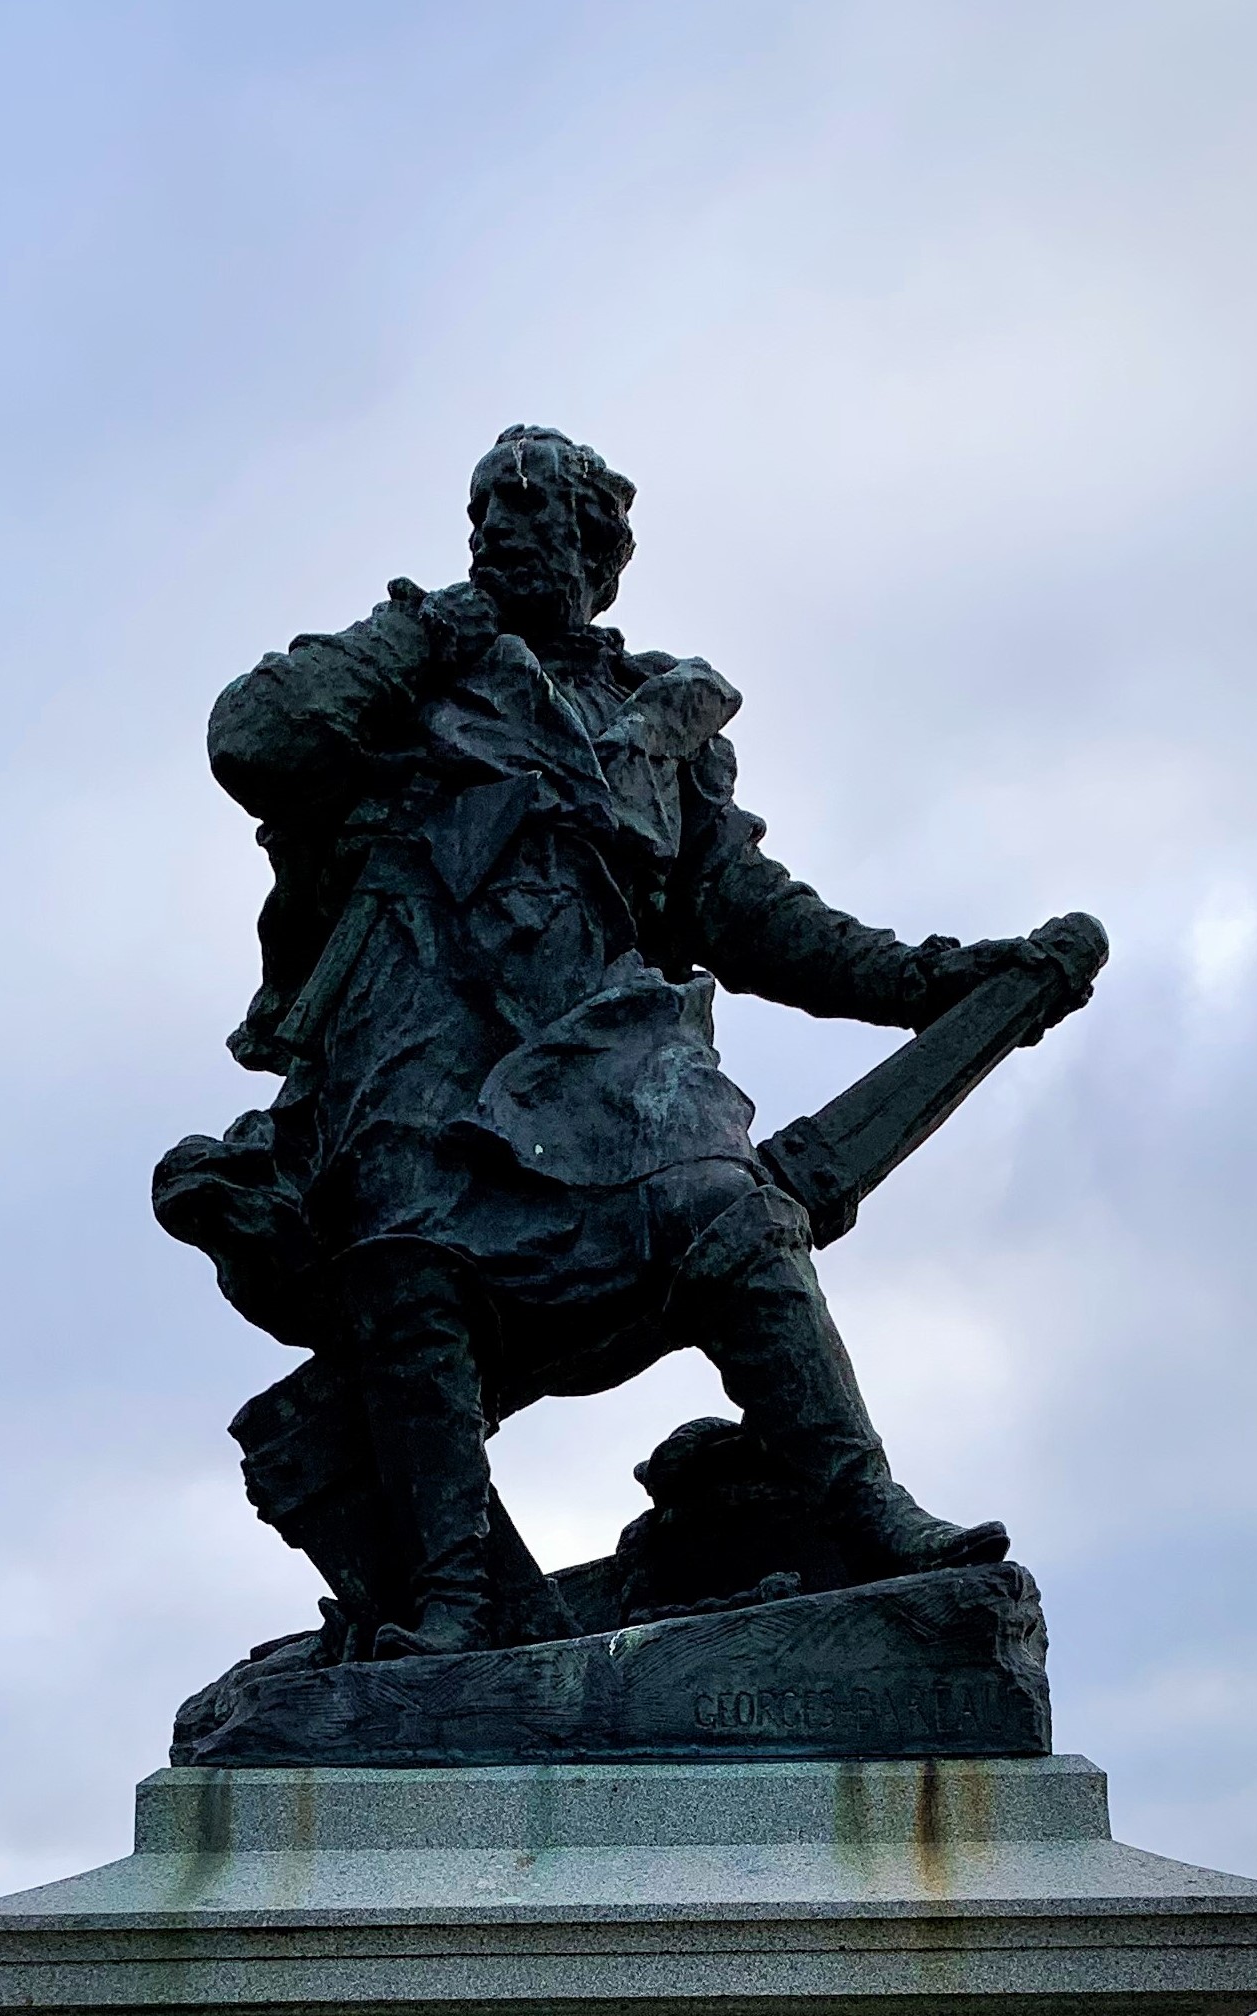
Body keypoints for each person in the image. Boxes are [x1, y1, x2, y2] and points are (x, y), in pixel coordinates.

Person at [156, 427, 1093, 1658]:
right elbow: (255, 742)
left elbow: (751, 916)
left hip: (608, 1053)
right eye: (486, 509)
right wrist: (435, 630)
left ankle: (866, 1511)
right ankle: (455, 1603)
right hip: (421, 1044)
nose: (501, 528)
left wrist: (936, 980)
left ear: (600, 554)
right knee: (401, 1258)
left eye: (534, 513)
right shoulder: (414, 671)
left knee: (733, 1212)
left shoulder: (660, 721)